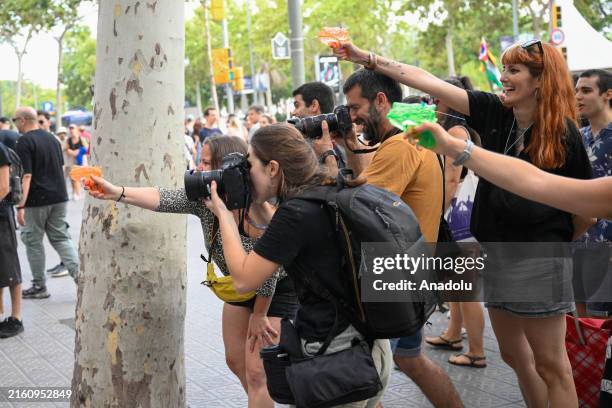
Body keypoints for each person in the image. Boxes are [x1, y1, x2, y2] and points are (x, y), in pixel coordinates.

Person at [333, 40, 593, 407]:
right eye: (504, 69)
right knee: (515, 357)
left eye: (514, 71)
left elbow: (586, 211)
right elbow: (427, 81)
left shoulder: (563, 134)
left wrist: (550, 249)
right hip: (496, 255)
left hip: (539, 260)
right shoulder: (497, 113)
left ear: (539, 81)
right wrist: (368, 58)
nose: (503, 78)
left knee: (552, 366)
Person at [85, 135, 298, 408]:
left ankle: (266, 395)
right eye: (200, 159)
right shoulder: (206, 200)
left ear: (227, 168)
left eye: (206, 161)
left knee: (258, 372)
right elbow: (162, 197)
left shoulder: (260, 205)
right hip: (239, 287)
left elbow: (271, 268)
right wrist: (116, 192)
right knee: (235, 361)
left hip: (275, 291)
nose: (198, 167)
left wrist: (260, 314)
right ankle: (261, 399)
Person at [205, 124, 392, 408]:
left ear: (273, 168)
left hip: (335, 356)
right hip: (372, 347)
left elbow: (243, 280)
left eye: (250, 164)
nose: (246, 174)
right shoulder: (331, 187)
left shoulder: (294, 215)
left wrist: (224, 213)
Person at [318, 68, 462, 407]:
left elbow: (359, 204)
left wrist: (327, 156)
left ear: (380, 100)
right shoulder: (411, 136)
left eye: (355, 108)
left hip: (394, 278)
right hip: (412, 270)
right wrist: (352, 146)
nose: (351, 116)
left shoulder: (399, 146)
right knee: (411, 360)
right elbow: (371, 178)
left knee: (365, 380)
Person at [423, 76, 487, 369]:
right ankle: (453, 334)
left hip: (460, 217)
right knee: (460, 284)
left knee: (467, 288)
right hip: (463, 216)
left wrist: (438, 212)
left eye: (436, 98)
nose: (432, 103)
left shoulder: (458, 130)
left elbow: (451, 178)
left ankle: (476, 351)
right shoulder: (462, 128)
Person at [12, 107, 79, 299]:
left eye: (16, 119)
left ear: (23, 120)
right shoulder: (53, 139)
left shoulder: (24, 141)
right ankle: (82, 280)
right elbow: (60, 167)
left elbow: (26, 175)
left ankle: (39, 286)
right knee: (61, 238)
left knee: (32, 241)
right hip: (59, 197)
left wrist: (21, 205)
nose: (15, 123)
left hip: (36, 200)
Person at [291, 81, 347, 169]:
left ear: (314, 105)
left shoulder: (346, 146)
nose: (293, 112)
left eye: (297, 106)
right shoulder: (346, 147)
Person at [0, 142, 23, 338]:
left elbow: (3, 187)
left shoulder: (0, 149)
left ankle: (16, 319)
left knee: (10, 268)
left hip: (1, 217)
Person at [64, 124, 87, 199]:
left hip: (80, 162)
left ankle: (77, 193)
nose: (71, 130)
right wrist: (71, 152)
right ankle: (74, 192)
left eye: (73, 128)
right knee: (72, 178)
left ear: (76, 130)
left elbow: (86, 148)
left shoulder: (81, 139)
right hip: (71, 161)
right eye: (70, 129)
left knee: (76, 178)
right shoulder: (68, 140)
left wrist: (79, 151)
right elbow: (65, 148)